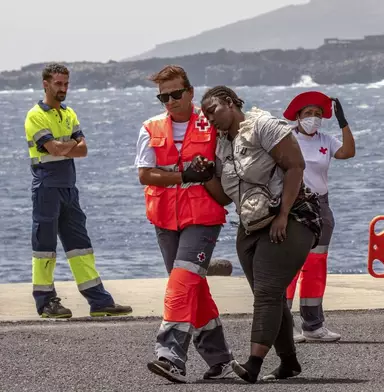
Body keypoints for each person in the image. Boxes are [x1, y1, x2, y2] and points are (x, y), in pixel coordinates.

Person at [199, 86, 322, 383]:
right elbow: (225, 198)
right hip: (251, 224)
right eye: (205, 116)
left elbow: (295, 166)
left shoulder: (263, 125)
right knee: (272, 297)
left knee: (267, 293)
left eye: (213, 111)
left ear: (230, 102)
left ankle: (253, 364)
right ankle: (290, 363)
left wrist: (282, 215)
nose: (210, 119)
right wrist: (203, 178)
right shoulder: (222, 145)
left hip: (292, 216)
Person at [135, 65, 234, 383]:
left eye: (176, 94)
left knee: (181, 284)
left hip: (203, 218)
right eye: (163, 96)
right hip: (164, 219)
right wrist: (184, 175)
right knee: (194, 288)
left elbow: (231, 165)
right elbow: (144, 174)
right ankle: (221, 361)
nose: (170, 100)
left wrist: (208, 174)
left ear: (190, 93)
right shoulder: (150, 127)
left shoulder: (212, 125)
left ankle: (171, 357)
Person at [25, 63, 132, 319]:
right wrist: (71, 144)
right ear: (46, 84)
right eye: (58, 84)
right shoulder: (35, 115)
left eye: (66, 84)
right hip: (46, 189)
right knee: (45, 248)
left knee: (81, 247)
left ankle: (99, 301)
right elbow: (53, 149)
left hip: (69, 191)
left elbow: (83, 151)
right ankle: (46, 302)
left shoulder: (69, 113)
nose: (63, 89)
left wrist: (67, 146)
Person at [282, 91, 356, 343]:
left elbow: (347, 152)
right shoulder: (286, 138)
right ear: (298, 116)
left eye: (317, 114)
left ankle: (313, 326)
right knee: (290, 266)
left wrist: (343, 123)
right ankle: (285, 325)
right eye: (308, 114)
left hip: (321, 206)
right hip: (294, 205)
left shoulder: (326, 139)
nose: (313, 118)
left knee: (316, 266)